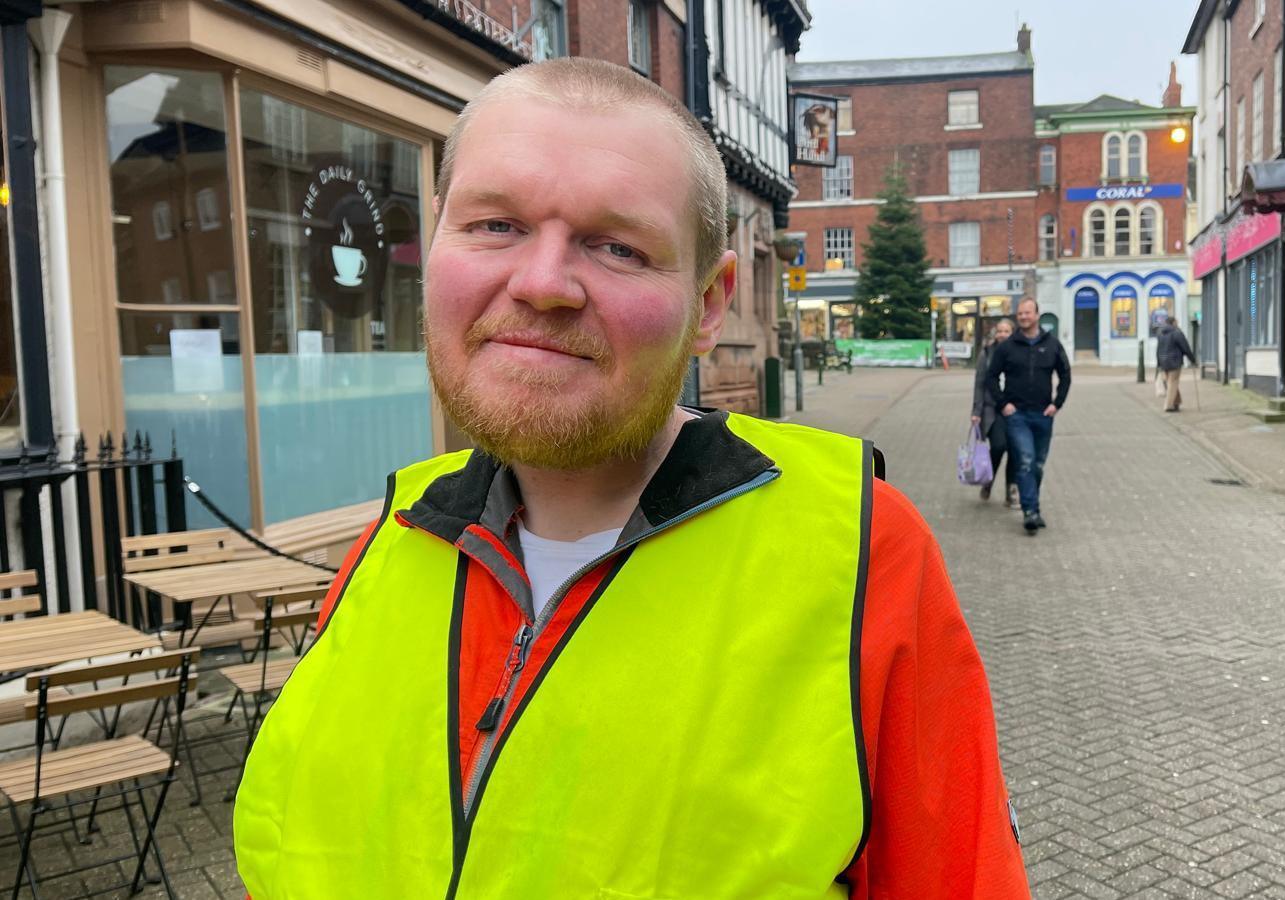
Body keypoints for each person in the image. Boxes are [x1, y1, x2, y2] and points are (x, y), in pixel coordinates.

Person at [233, 58, 1029, 899]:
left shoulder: (864, 556)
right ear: (433, 249)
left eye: (617, 246)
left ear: (710, 303)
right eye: (495, 225)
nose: (541, 284)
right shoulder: (389, 543)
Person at [985, 298, 1070, 535]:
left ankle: (1034, 506)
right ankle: (1030, 511)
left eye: (1027, 313)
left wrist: (1057, 403)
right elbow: (991, 377)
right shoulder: (1007, 347)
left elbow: (1065, 374)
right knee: (1025, 460)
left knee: (1038, 465)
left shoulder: (1052, 344)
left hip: (1044, 414)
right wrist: (1003, 404)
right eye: (1020, 313)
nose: (1023, 316)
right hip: (1017, 415)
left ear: (1037, 315)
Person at [971, 318, 1019, 506]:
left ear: (1013, 333)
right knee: (998, 446)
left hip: (1014, 409)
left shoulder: (1018, 351)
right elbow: (980, 383)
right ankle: (988, 481)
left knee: (1015, 449)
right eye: (999, 331)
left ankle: (1011, 490)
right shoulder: (987, 353)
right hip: (992, 410)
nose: (1002, 335)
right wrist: (976, 410)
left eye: (1006, 331)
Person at [1154, 310, 1197, 412]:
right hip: (1174, 361)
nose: (1177, 324)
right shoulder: (1177, 333)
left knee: (1170, 382)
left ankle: (1176, 402)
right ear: (1173, 323)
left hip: (1164, 361)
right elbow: (1185, 347)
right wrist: (1193, 360)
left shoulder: (1161, 333)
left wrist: (1159, 363)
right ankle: (1169, 406)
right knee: (1173, 383)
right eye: (1176, 322)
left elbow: (1158, 349)